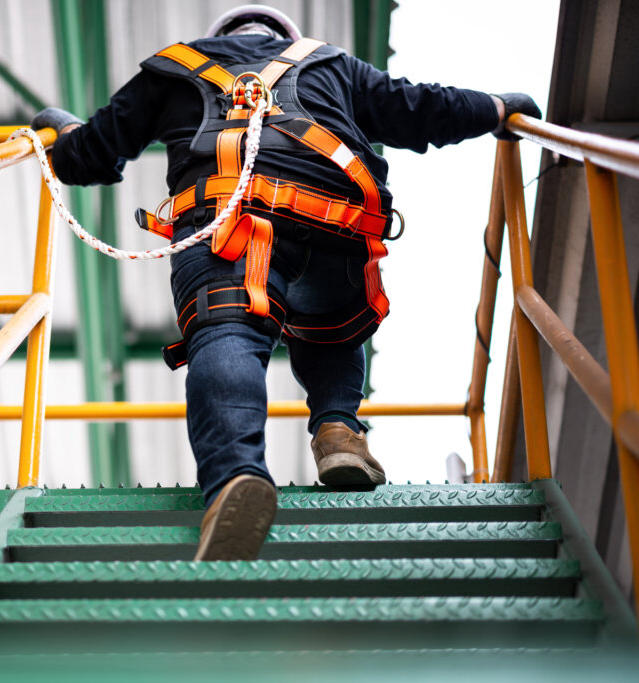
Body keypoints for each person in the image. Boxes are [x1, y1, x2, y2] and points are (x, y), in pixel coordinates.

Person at [31, 5, 540, 562]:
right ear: (287, 40)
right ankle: (339, 433)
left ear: (217, 39)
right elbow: (419, 109)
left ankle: (235, 480)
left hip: (229, 228)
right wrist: (497, 109)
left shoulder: (170, 70)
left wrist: (59, 130)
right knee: (331, 332)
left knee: (227, 336)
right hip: (337, 228)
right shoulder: (331, 65)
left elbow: (87, 157)